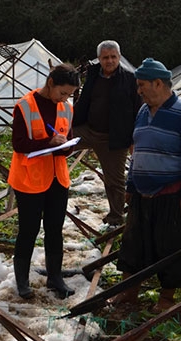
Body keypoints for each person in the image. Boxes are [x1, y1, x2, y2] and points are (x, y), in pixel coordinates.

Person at [109, 58, 181, 313]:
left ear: (158, 83)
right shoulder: (142, 112)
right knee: (133, 244)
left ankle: (166, 298)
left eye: (142, 85)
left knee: (170, 246)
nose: (138, 90)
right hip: (141, 193)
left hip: (170, 194)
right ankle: (129, 292)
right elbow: (136, 152)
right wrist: (130, 183)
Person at [7, 63, 80, 300]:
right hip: (30, 179)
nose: (65, 98)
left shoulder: (66, 107)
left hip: (58, 178)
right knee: (28, 230)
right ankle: (22, 280)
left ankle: (55, 277)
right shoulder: (25, 106)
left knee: (54, 229)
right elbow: (18, 144)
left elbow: (66, 140)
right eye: (62, 92)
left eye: (69, 94)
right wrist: (47, 143)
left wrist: (64, 146)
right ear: (51, 83)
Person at [72, 40, 142, 227]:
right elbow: (84, 100)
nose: (109, 61)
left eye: (113, 57)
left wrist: (134, 139)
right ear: (99, 59)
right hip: (88, 130)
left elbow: (138, 110)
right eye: (105, 57)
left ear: (119, 57)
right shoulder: (93, 75)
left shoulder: (129, 79)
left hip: (113, 137)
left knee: (115, 181)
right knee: (58, 143)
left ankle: (116, 217)